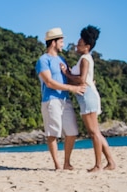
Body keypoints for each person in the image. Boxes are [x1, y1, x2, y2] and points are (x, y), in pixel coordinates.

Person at [61, 25, 116, 172]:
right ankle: (110, 163)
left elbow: (81, 80)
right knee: (96, 132)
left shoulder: (85, 59)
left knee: (93, 133)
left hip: (88, 97)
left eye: (80, 44)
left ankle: (98, 165)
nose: (77, 46)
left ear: (87, 46)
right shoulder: (84, 59)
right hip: (86, 97)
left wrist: (66, 73)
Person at [36, 27, 86, 170]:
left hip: (65, 100)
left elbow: (69, 78)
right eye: (61, 41)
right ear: (53, 42)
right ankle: (57, 165)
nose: (63, 44)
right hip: (51, 100)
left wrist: (84, 83)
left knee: (72, 132)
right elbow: (49, 82)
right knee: (53, 133)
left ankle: (66, 162)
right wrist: (72, 88)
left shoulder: (61, 59)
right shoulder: (43, 60)